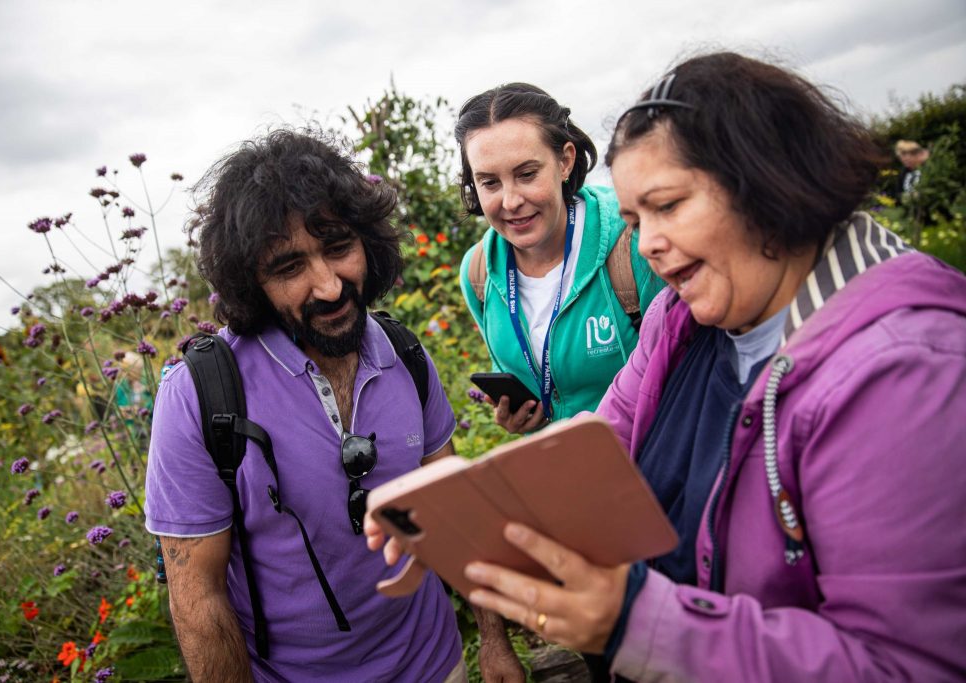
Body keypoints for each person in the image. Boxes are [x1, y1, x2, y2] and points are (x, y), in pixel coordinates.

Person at [450, 53, 966, 680]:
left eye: (668, 207)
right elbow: (598, 447)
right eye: (636, 221)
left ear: (765, 180)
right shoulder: (681, 322)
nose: (644, 246)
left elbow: (907, 664)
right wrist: (472, 522)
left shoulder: (904, 375)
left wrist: (639, 620)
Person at [144, 129, 522, 682]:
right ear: (251, 282)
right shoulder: (199, 398)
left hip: (437, 666)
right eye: (289, 267)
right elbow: (198, 599)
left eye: (338, 247)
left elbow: (454, 508)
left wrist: (494, 641)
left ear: (367, 240)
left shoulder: (405, 355)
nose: (327, 286)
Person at [456, 83, 664, 435]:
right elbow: (525, 380)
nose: (510, 201)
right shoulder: (478, 272)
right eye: (489, 182)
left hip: (647, 471)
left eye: (526, 174)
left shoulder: (634, 244)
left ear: (565, 161)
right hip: (561, 476)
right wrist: (519, 416)